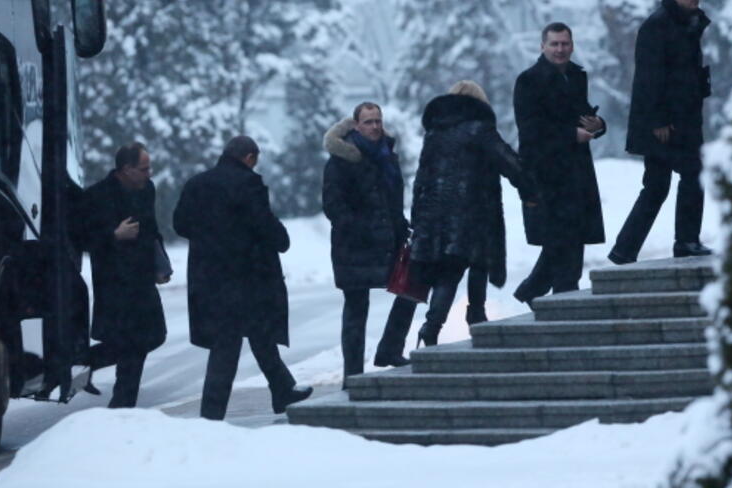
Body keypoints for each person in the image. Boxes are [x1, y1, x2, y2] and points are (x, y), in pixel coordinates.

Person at [173, 136, 312, 420]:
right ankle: (211, 414)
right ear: (249, 157)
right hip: (245, 277)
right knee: (228, 344)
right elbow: (263, 224)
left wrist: (210, 238)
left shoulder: (196, 184)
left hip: (209, 277)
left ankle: (283, 388)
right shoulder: (247, 184)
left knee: (259, 336)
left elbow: (180, 224)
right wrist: (279, 238)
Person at [409, 81, 535, 346]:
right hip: (474, 211)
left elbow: (421, 178)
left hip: (438, 216)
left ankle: (431, 327)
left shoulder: (434, 133)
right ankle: (476, 315)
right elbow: (509, 162)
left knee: (448, 271)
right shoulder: (480, 130)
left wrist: (418, 217)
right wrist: (530, 190)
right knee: (479, 260)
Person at [609, 0, 712, 264]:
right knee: (683, 177)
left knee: (659, 185)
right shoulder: (658, 26)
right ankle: (685, 241)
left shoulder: (685, 23)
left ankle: (626, 249)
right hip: (667, 123)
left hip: (682, 118)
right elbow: (649, 77)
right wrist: (657, 120)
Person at [322, 103, 417, 384]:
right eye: (368, 122)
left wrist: (400, 225)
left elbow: (393, 198)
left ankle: (390, 348)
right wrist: (360, 228)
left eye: (378, 121)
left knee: (412, 287)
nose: (375, 126)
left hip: (390, 238)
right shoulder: (340, 160)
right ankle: (352, 374)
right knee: (355, 307)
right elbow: (333, 206)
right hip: (354, 245)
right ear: (356, 126)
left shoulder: (387, 157)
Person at [513, 23, 606, 305]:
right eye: (554, 44)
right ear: (542, 46)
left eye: (565, 44)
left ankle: (540, 292)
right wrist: (570, 135)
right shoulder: (528, 80)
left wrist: (599, 124)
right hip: (546, 173)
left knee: (571, 239)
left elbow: (582, 115)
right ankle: (559, 297)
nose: (560, 49)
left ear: (572, 45)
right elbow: (529, 130)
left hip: (576, 170)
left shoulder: (577, 76)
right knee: (560, 240)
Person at [82, 142, 167, 408]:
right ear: (126, 169)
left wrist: (160, 264)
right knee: (132, 341)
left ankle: (86, 362)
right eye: (144, 169)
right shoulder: (97, 195)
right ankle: (122, 402)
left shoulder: (146, 191)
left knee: (153, 335)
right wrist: (113, 235)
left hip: (142, 277)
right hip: (114, 281)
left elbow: (152, 228)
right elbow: (82, 238)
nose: (149, 173)